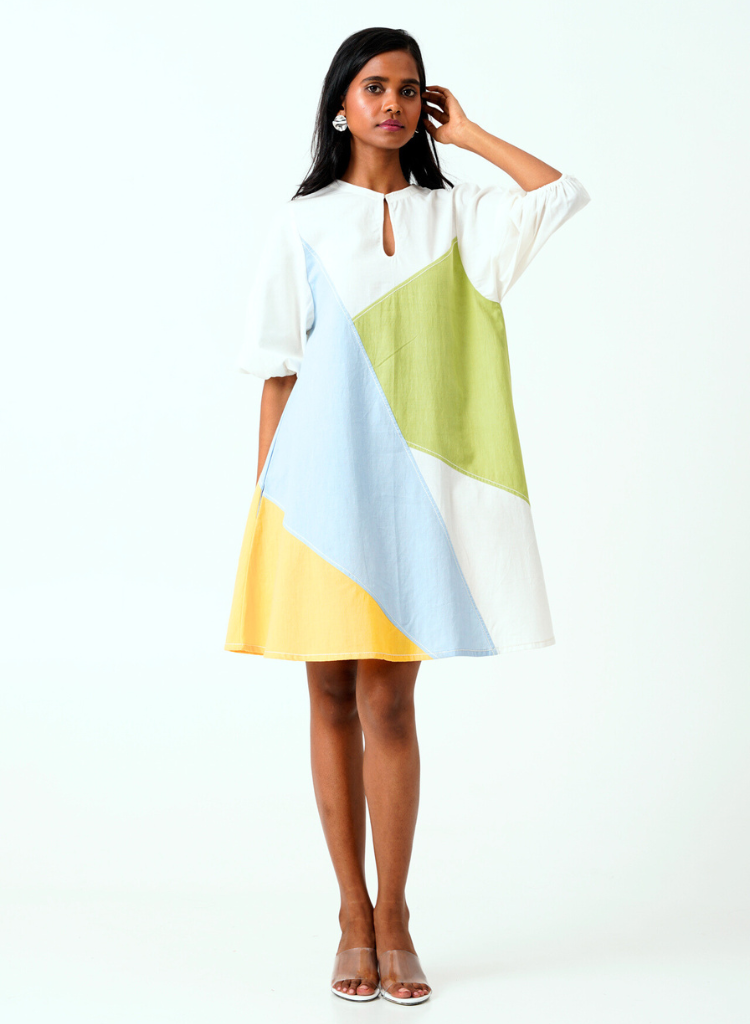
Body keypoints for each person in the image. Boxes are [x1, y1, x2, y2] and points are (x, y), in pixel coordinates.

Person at [225, 26, 591, 1005]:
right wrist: (268, 512)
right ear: (341, 105)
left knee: (389, 701)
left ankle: (397, 915)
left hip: (412, 502)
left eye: (407, 89)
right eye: (373, 87)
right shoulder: (302, 222)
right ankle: (352, 912)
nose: (390, 104)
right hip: (313, 496)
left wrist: (469, 136)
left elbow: (560, 194)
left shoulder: (457, 215)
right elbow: (275, 372)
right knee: (328, 697)